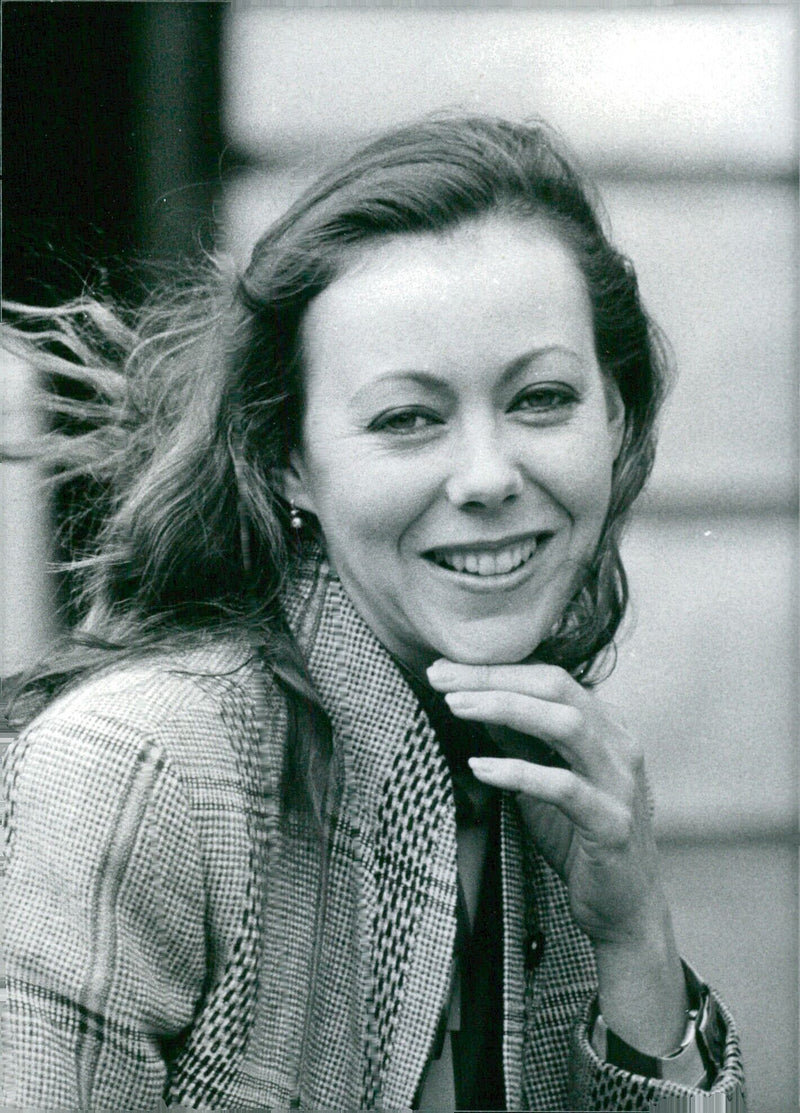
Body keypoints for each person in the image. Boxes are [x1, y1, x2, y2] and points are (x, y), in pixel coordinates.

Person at [2, 115, 745, 1111]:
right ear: (288, 463)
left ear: (611, 419)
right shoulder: (144, 767)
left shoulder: (544, 770)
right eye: (407, 418)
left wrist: (632, 937)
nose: (487, 476)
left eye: (539, 399)